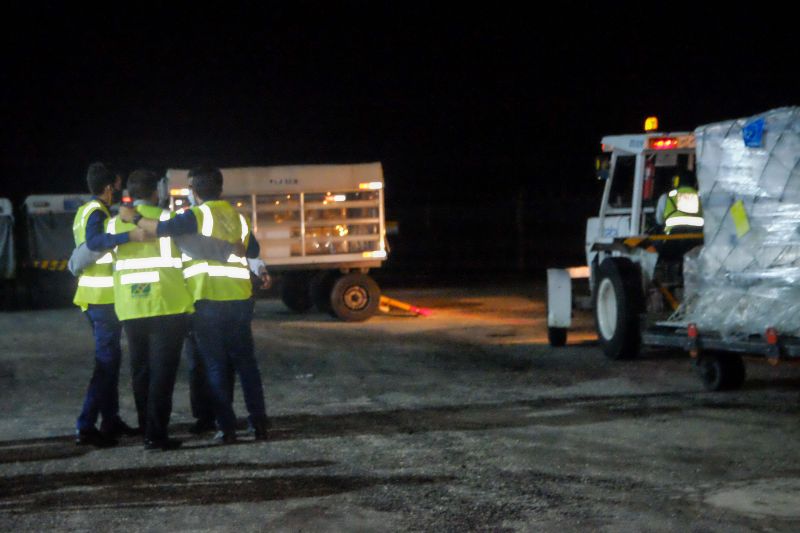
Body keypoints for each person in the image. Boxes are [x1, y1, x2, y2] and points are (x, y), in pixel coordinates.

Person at [121, 165, 269, 444]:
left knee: (213, 367)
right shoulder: (238, 217)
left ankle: (226, 428)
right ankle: (258, 424)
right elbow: (253, 251)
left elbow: (160, 229)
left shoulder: (193, 217)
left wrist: (135, 216)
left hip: (207, 298)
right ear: (220, 188)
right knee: (246, 365)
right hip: (239, 298)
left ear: (195, 191)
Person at [108, 169, 194, 450]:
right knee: (163, 372)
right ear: (156, 193)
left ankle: (146, 426)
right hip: (166, 304)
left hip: (131, 306)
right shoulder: (167, 219)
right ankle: (156, 435)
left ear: (131, 194)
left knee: (141, 370)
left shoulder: (113, 225)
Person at [72, 162, 143, 447]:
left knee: (110, 364)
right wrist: (129, 236)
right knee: (106, 365)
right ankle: (86, 426)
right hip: (101, 299)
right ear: (108, 187)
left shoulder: (84, 210)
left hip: (94, 297)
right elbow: (94, 242)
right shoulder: (96, 212)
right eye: (116, 185)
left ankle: (110, 421)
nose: (117, 190)